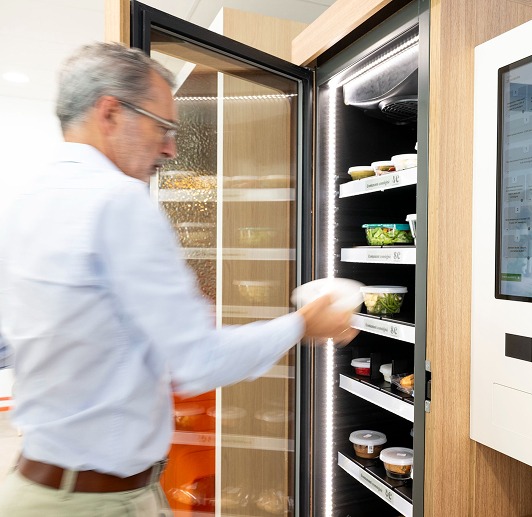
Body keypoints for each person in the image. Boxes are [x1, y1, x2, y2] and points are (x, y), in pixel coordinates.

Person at [0, 42, 357, 516]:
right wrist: (303, 324)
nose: (169, 148)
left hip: (33, 492)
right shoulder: (119, 201)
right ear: (110, 113)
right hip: (97, 503)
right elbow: (198, 362)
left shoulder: (24, 201)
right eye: (162, 127)